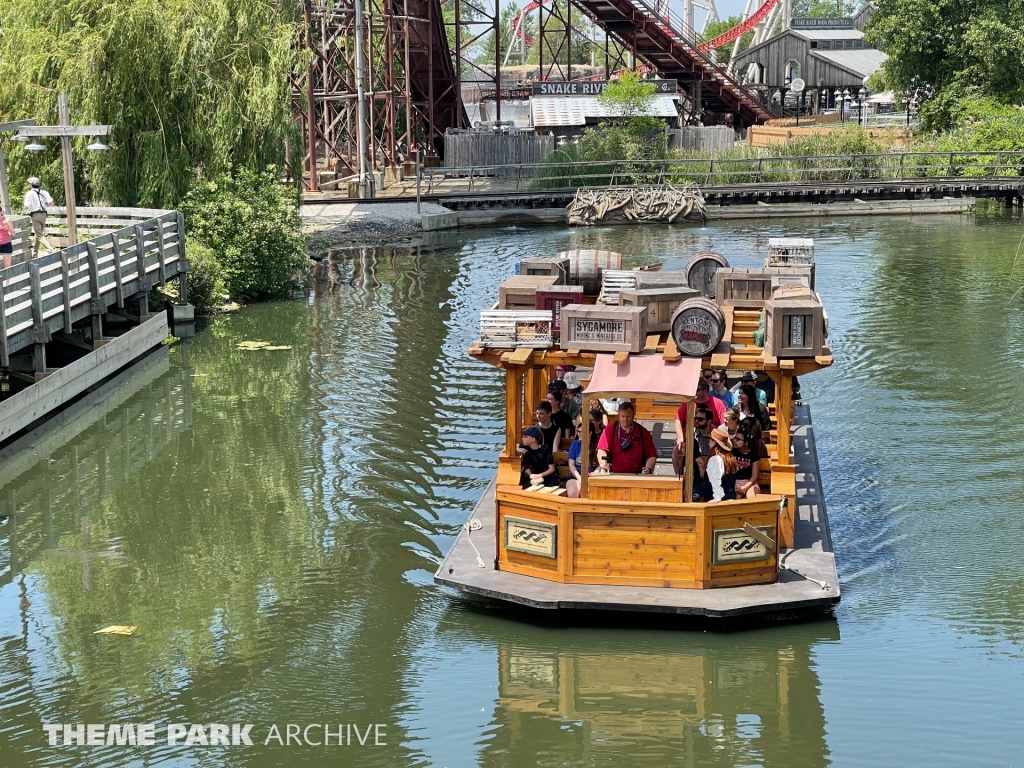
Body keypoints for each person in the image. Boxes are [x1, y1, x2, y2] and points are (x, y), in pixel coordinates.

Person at [595, 401, 657, 475]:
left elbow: (651, 455)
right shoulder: (610, 429)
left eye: (628, 416)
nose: (625, 419)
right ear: (619, 415)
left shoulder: (642, 432)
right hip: (614, 474)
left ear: (633, 415)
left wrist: (648, 468)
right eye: (623, 416)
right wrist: (603, 464)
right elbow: (601, 449)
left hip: (637, 475)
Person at [566, 411, 603, 498]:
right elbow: (571, 464)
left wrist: (592, 476)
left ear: (590, 433)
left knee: (589, 494)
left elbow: (600, 465)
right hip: (576, 475)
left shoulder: (597, 444)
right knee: (572, 493)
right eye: (578, 431)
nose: (579, 434)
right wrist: (580, 479)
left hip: (592, 476)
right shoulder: (575, 444)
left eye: (581, 432)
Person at [672, 403, 713, 475]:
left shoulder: (715, 434)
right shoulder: (691, 432)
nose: (696, 421)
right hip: (695, 468)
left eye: (700, 419)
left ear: (709, 421)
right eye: (695, 418)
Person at [699, 427, 738, 503]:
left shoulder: (715, 459)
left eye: (710, 441)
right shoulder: (730, 458)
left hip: (717, 501)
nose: (708, 443)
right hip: (730, 497)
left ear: (714, 442)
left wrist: (717, 497)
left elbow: (716, 480)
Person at [23, 177, 54, 258]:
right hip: (44, 214)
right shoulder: (44, 192)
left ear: (31, 185)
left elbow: (26, 206)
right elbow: (52, 203)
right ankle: (35, 253)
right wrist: (45, 205)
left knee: (39, 235)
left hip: (35, 214)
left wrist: (26, 209)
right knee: (38, 234)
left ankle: (49, 248)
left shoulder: (29, 193)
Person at [731, 430, 761, 498]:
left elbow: (755, 475)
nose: (734, 440)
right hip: (734, 482)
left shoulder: (754, 455)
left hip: (750, 482)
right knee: (734, 500)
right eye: (734, 438)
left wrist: (745, 487)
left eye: (738, 439)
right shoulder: (732, 452)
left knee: (752, 497)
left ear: (746, 442)